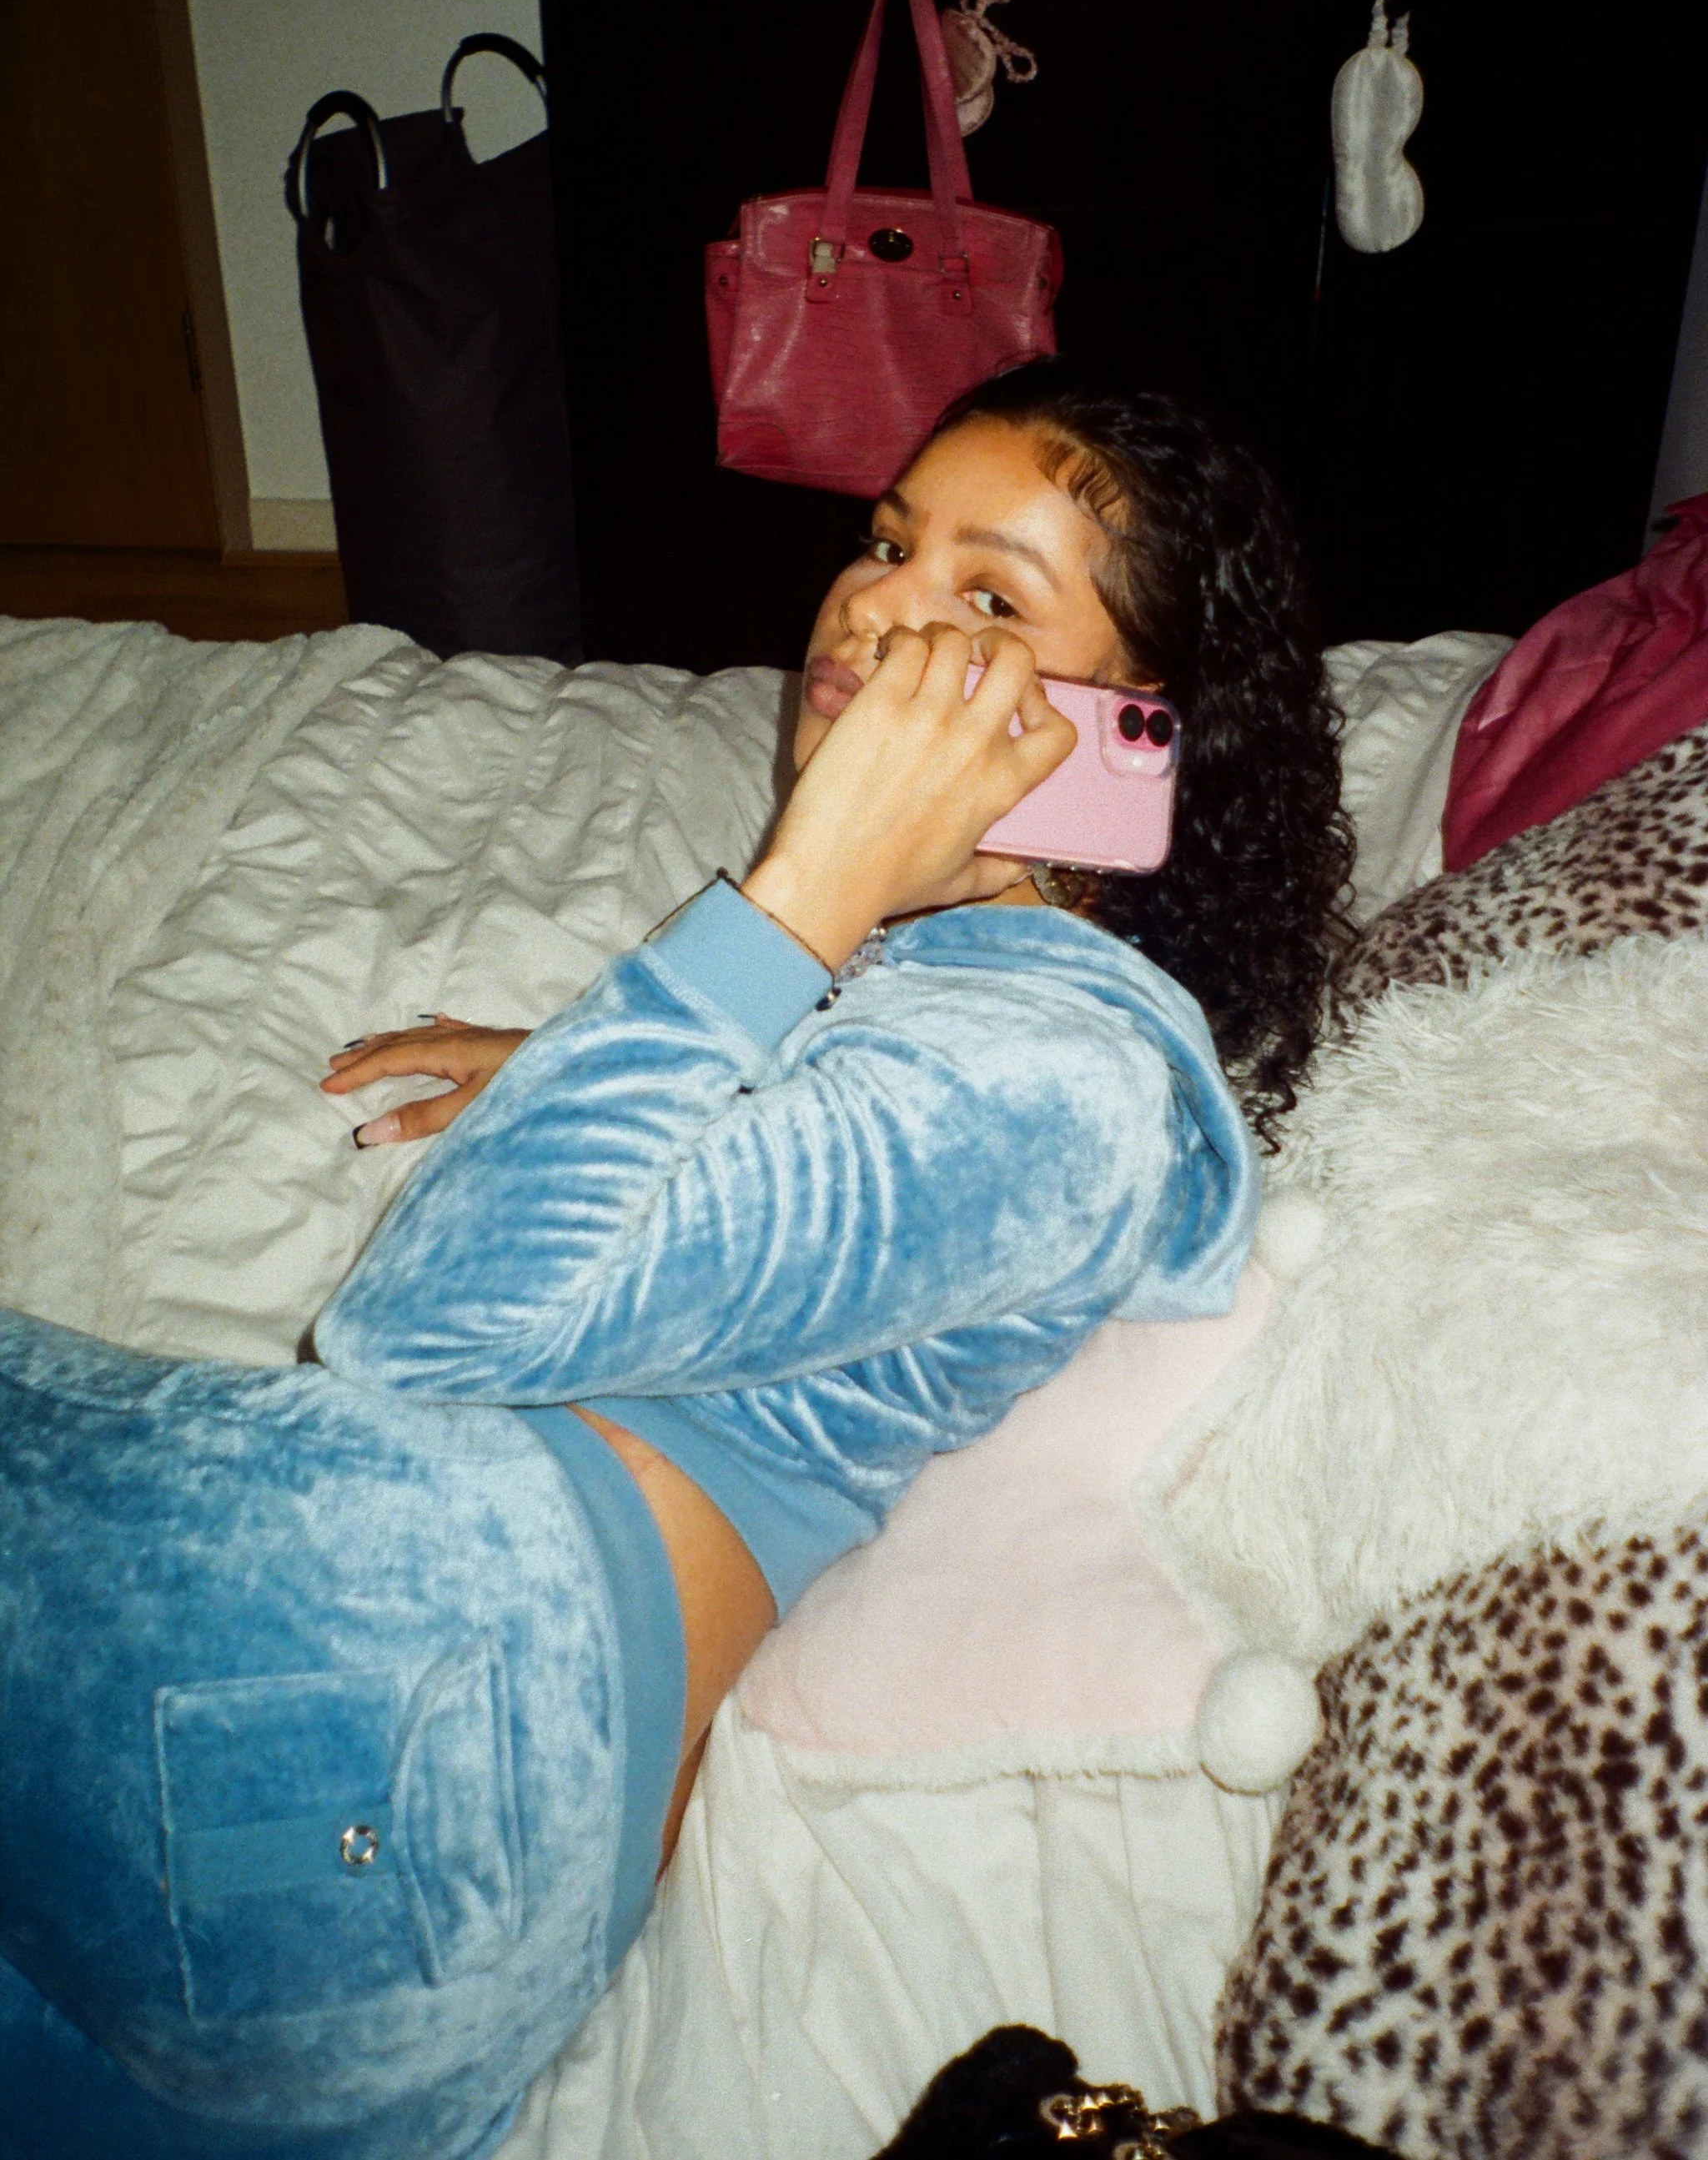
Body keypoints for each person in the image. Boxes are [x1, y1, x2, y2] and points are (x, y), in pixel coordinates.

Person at [0, 364, 1351, 2160]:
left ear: (1136, 742)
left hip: (397, 1651)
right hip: (424, 1890)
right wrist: (601, 1060)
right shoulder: (978, 1024)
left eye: (990, 597)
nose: (877, 604)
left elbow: (418, 1323)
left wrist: (800, 895)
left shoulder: (1061, 1078)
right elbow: (807, 1180)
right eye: (891, 542)